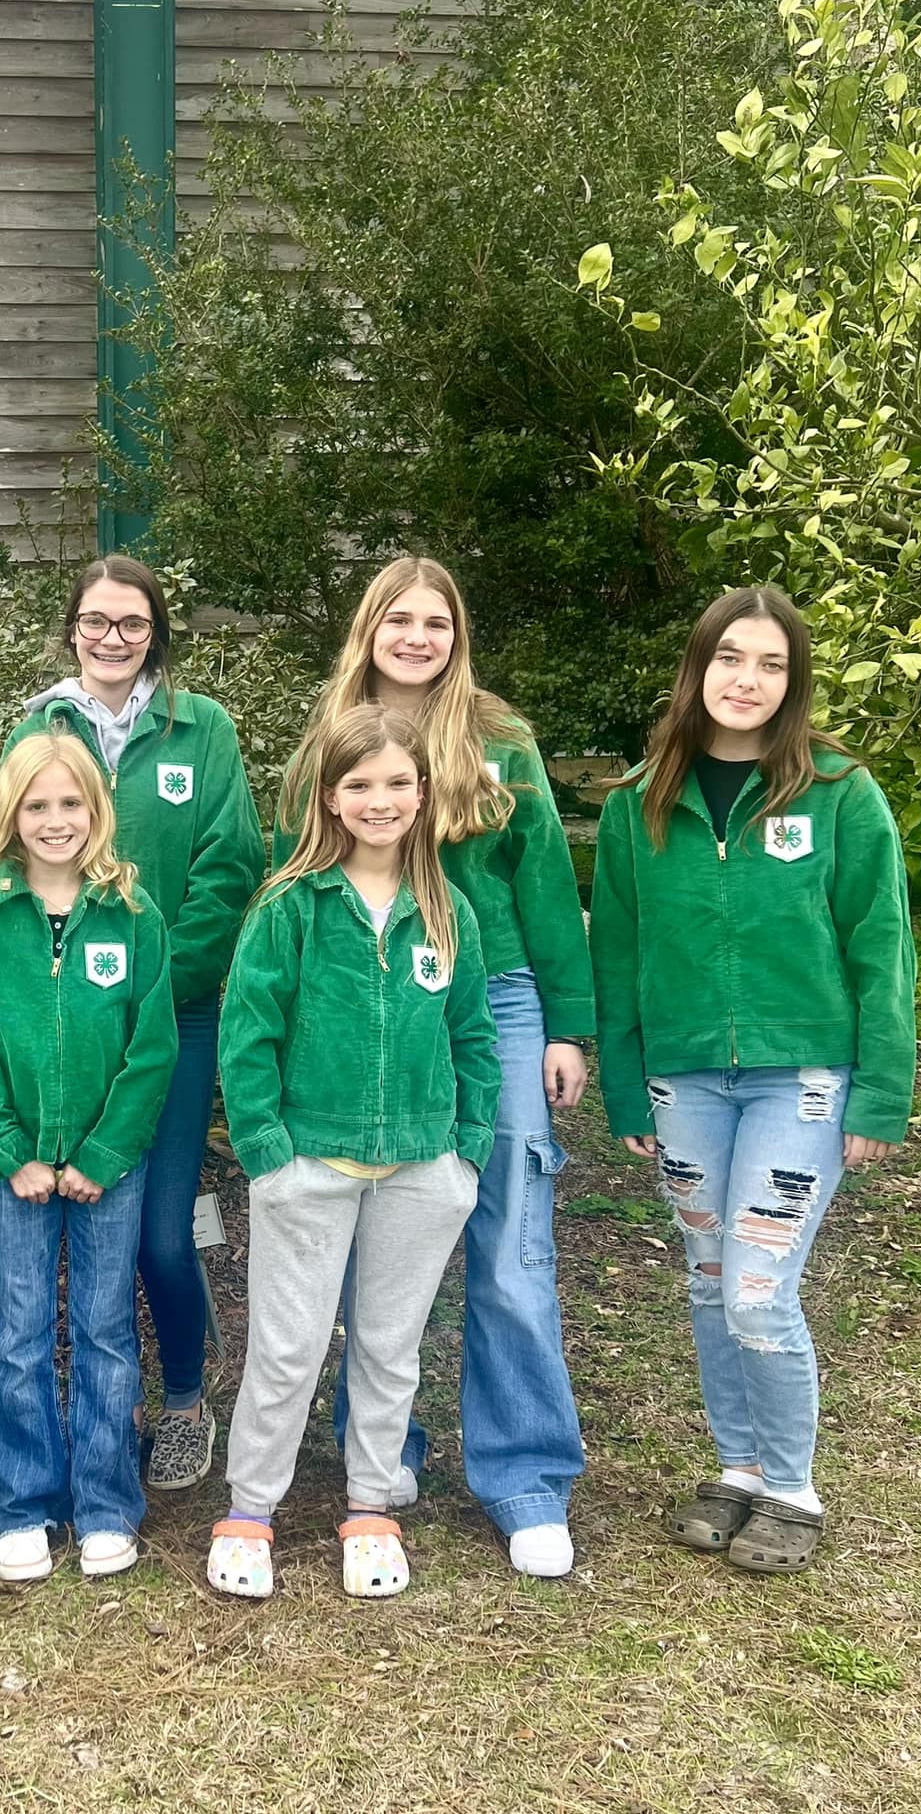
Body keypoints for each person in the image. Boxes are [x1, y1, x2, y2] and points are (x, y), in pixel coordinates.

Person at [591, 585, 915, 1574]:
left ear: (792, 680)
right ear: (696, 669)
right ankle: (734, 1471)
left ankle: (790, 1487)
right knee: (704, 1282)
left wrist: (879, 1093)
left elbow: (881, 943)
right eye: (730, 657)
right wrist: (620, 1080)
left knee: (756, 1289)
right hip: (682, 1080)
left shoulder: (837, 791)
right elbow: (615, 953)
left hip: (801, 1083)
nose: (747, 679)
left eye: (770, 664)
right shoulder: (636, 801)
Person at [282, 556, 593, 1578]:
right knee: (373, 1224)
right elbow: (291, 879)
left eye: (437, 622)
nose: (417, 637)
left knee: (507, 1243)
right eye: (398, 618)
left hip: (492, 994)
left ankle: (525, 1475)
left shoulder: (499, 742)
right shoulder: (330, 735)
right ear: (368, 627)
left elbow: (546, 882)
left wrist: (565, 1025)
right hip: (365, 997)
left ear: (456, 636)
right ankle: (384, 1449)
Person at [211, 704, 498, 1601]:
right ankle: (250, 1509)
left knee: (389, 1345)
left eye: (398, 784)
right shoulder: (290, 906)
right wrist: (268, 1153)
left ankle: (370, 1506)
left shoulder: (448, 912)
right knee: (288, 1350)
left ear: (424, 794)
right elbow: (247, 1035)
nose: (381, 801)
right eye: (361, 785)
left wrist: (467, 1155)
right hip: (311, 1165)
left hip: (422, 1166)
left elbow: (475, 1038)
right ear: (331, 798)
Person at [3, 555, 262, 1492]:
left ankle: (187, 1401)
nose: (113, 639)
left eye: (133, 624)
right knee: (67, 1217)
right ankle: (70, 1423)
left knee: (159, 1234)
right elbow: (8, 858)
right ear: (72, 626)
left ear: (156, 634)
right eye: (96, 621)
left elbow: (229, 868)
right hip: (65, 1024)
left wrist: (154, 985)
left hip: (175, 1018)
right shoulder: (38, 726)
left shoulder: (203, 732)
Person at [0, 732, 178, 1583]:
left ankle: (108, 1502)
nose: (55, 821)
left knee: (107, 1331)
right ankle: (24, 1505)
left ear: (97, 811)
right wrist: (7, 1151)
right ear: (10, 813)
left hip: (108, 1166)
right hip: (20, 1172)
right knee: (21, 1332)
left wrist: (107, 1150)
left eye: (71, 804)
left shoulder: (131, 912)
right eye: (36, 805)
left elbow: (152, 1044)